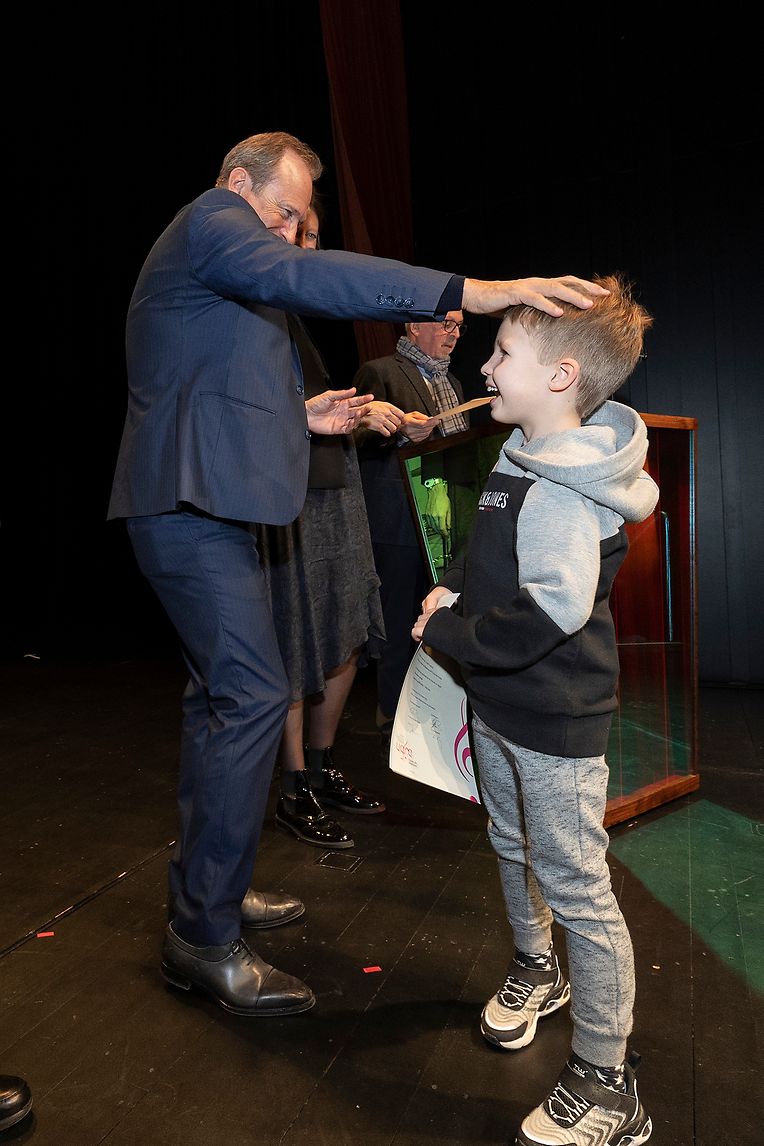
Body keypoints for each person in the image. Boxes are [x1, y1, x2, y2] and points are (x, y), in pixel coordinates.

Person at [107, 127, 608, 1020]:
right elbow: (305, 277)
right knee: (258, 697)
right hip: (187, 509)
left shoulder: (219, 261)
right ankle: (201, 939)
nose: (295, 236)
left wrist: (305, 415)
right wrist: (477, 291)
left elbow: (204, 389)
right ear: (237, 183)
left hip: (212, 503)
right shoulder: (213, 221)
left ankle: (206, 900)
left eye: (303, 221)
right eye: (287, 213)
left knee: (219, 703)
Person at [411, 273, 656, 1146]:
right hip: (503, 708)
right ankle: (533, 969)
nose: (486, 361)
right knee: (511, 844)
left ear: (559, 377)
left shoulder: (560, 489)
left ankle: (607, 1083)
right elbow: (487, 553)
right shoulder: (522, 456)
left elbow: (551, 609)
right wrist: (449, 588)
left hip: (552, 723)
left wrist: (456, 637)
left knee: (578, 889)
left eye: (503, 352)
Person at [256, 201, 388, 852]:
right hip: (290, 498)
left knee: (346, 631)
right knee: (296, 640)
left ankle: (324, 765)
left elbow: (312, 409)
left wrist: (362, 413)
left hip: (339, 488)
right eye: (293, 229)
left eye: (313, 235)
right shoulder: (245, 311)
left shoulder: (293, 317)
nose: (306, 247)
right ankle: (295, 786)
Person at [353, 313, 471, 734]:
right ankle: (392, 713)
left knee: (439, 609)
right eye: (444, 325)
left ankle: (436, 710)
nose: (453, 334)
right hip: (399, 518)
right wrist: (400, 431)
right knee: (399, 613)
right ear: (413, 328)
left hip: (448, 517)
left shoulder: (454, 385)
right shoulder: (381, 372)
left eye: (458, 327)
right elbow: (352, 438)